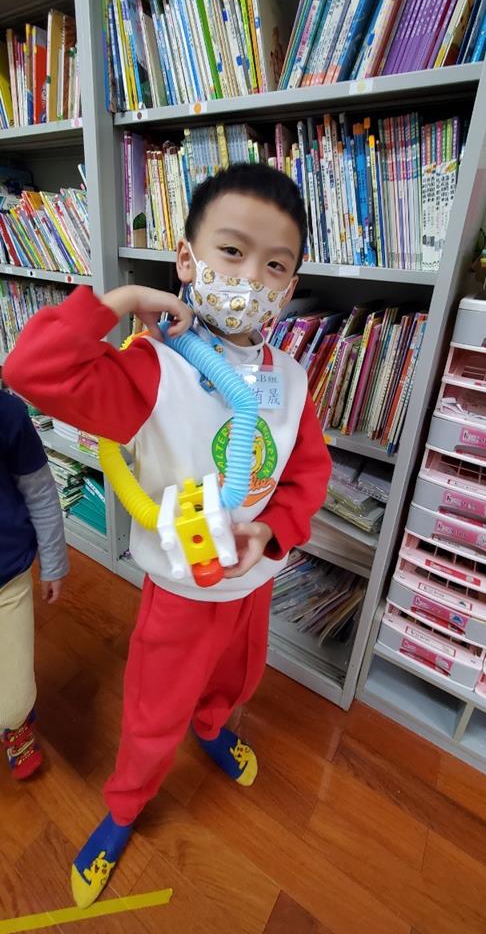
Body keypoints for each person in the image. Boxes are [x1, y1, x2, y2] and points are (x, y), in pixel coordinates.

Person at [4, 162, 331, 907]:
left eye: (274, 265)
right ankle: (124, 808)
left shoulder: (289, 377)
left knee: (238, 678)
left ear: (289, 286)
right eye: (231, 251)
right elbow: (31, 369)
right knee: (156, 710)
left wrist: (271, 532)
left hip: (253, 583)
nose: (249, 277)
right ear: (186, 259)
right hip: (183, 590)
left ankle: (213, 727)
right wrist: (123, 300)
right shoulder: (154, 369)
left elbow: (307, 473)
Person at [0, 389, 68, 779]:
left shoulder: (7, 412)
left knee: (13, 702)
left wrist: (53, 563)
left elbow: (40, 492)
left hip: (7, 579)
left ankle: (17, 723)